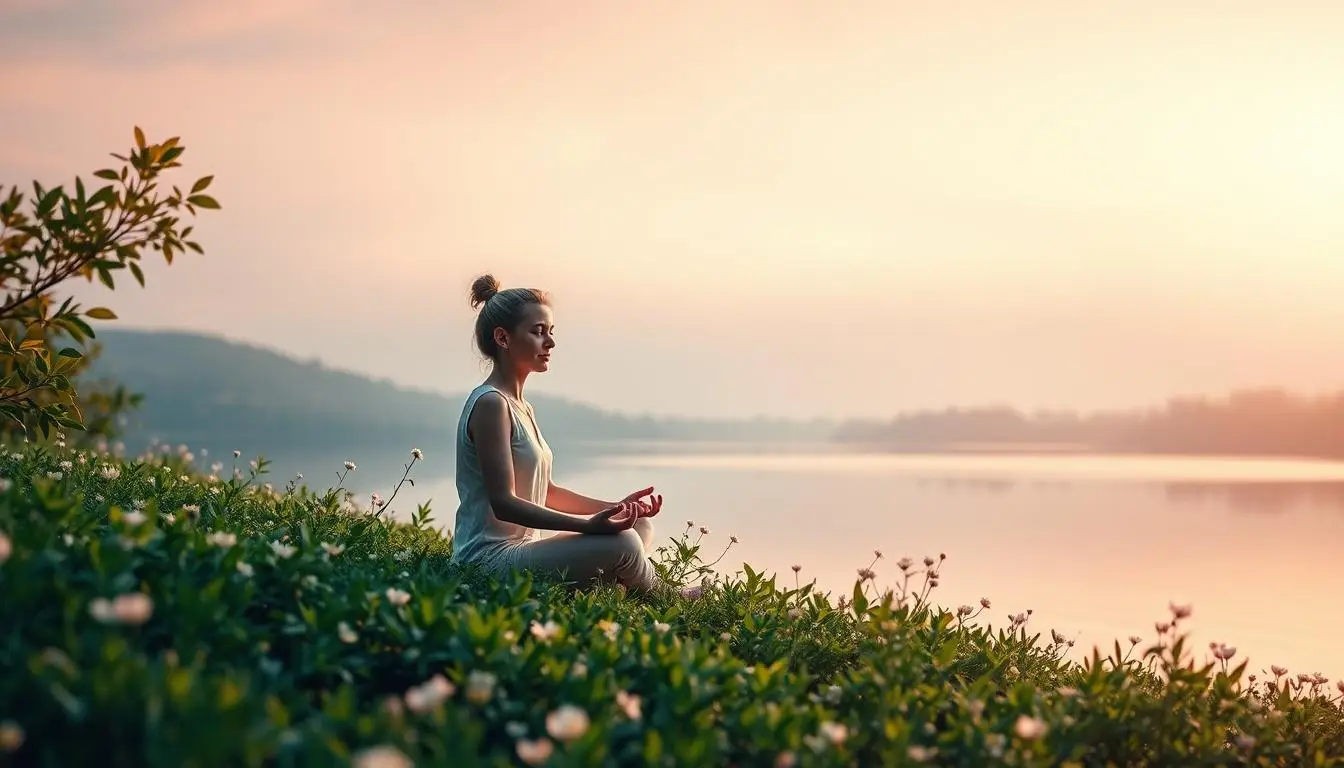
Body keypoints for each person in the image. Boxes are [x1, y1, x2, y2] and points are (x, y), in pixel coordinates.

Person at [450, 273, 663, 592]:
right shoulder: (491, 405)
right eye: (538, 332)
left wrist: (614, 509)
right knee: (627, 544)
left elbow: (544, 490)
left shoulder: (522, 406)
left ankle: (608, 583)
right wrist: (587, 526)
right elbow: (504, 503)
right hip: (488, 562)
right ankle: (665, 595)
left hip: (521, 553)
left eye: (550, 332)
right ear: (503, 338)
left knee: (639, 524)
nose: (550, 343)